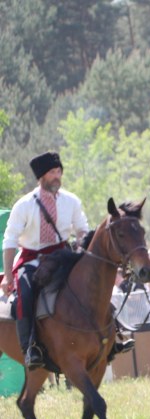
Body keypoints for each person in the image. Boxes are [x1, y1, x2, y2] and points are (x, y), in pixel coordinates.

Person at [1, 153, 91, 369]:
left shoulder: (71, 201)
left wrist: (82, 245)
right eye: (52, 172)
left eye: (59, 172)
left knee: (92, 284)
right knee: (26, 293)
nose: (57, 177)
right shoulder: (24, 205)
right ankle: (30, 347)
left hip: (64, 257)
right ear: (41, 176)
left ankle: (111, 338)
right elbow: (10, 241)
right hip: (32, 260)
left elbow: (82, 230)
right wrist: (9, 275)